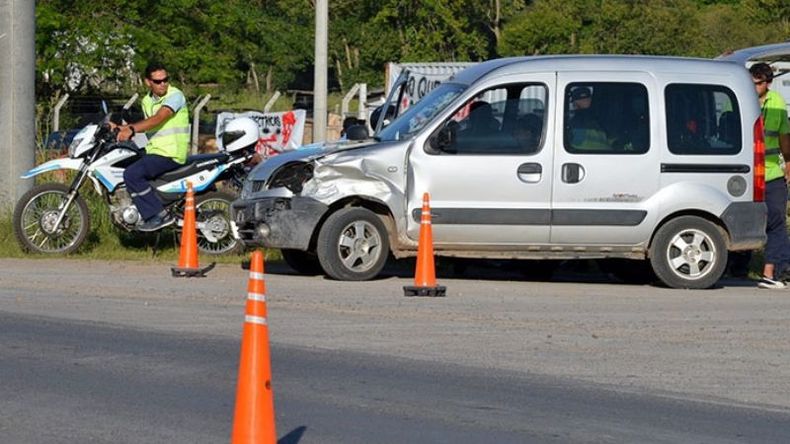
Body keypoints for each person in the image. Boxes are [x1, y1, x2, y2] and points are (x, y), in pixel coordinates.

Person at [116, 62, 190, 232]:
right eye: (158, 81)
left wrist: (132, 128)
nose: (163, 83)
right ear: (148, 82)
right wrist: (120, 129)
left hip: (171, 153)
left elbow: (159, 118)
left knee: (132, 174)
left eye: (165, 79)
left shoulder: (175, 95)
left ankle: (158, 215)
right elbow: (149, 126)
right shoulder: (147, 101)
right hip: (155, 151)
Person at [750, 62, 790, 289]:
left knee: (775, 221)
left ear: (768, 83)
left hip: (772, 171)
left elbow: (784, 135)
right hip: (749, 172)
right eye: (753, 82)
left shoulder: (777, 102)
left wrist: (789, 162)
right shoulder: (743, 98)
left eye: (759, 83)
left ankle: (772, 271)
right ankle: (737, 266)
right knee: (747, 219)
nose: (755, 87)